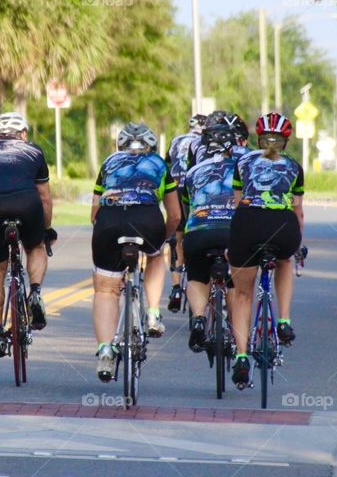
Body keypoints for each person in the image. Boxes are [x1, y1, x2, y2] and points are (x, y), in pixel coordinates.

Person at [91, 122, 181, 381]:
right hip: (148, 220)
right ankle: (153, 314)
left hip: (109, 221)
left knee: (105, 290)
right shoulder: (160, 165)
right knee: (155, 255)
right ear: (151, 146)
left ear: (120, 146)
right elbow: (175, 215)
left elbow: (94, 213)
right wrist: (162, 238)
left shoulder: (108, 162)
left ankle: (106, 349)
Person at [228, 112, 305, 387]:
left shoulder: (242, 162)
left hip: (248, 224)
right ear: (286, 140)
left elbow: (238, 202)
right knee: (285, 259)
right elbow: (298, 211)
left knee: (242, 294)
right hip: (283, 226)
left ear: (258, 139)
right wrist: (298, 244)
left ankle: (240, 356)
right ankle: (283, 320)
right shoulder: (295, 166)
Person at [0, 111, 56, 357]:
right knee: (35, 246)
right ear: (23, 133)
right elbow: (45, 198)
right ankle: (36, 292)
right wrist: (47, 229)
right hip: (27, 206)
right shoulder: (34, 150)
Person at [182, 123, 238, 352]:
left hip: (199, 230)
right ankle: (237, 330)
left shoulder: (192, 172)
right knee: (236, 282)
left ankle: (198, 318)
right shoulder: (241, 168)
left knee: (196, 274)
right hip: (232, 233)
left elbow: (186, 212)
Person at [164, 113, 206, 312]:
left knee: (177, 238)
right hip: (192, 188)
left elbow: (167, 163)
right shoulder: (203, 142)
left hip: (175, 187)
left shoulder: (176, 140)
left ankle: (175, 287)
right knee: (195, 230)